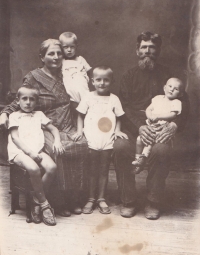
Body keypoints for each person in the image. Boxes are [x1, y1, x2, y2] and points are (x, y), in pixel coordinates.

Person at [0, 39, 88, 218]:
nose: (56, 57)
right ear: (42, 57)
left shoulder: (67, 74)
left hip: (68, 124)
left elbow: (82, 96)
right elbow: (18, 101)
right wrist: (4, 113)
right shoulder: (33, 77)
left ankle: (73, 198)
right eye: (51, 54)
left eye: (59, 53)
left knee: (83, 145)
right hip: (47, 126)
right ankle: (58, 202)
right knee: (58, 150)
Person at [113, 31, 189, 220]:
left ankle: (153, 201)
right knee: (120, 147)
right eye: (144, 47)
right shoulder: (128, 76)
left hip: (162, 128)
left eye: (152, 47)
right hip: (134, 128)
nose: (148, 51)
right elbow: (124, 107)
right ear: (137, 50)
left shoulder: (169, 77)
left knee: (161, 151)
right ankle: (128, 200)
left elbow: (184, 105)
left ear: (158, 50)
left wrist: (174, 126)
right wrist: (140, 126)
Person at [72, 66, 128, 214]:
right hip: (91, 137)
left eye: (106, 80)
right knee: (91, 170)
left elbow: (118, 117)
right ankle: (91, 198)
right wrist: (79, 131)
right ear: (92, 81)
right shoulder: (88, 97)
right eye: (98, 80)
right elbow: (80, 115)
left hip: (107, 138)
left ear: (112, 81)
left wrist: (117, 130)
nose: (102, 83)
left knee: (103, 170)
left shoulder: (114, 99)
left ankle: (101, 198)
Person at [8, 85, 65, 226]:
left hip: (37, 150)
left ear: (37, 101)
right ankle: (45, 204)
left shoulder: (39, 114)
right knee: (34, 169)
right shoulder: (14, 116)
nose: (28, 102)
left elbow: (53, 129)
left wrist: (57, 141)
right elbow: (15, 138)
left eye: (32, 99)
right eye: (24, 99)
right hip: (20, 151)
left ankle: (36, 198)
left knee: (52, 167)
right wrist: (30, 153)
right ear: (18, 100)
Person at [132, 77, 183, 174]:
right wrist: (150, 116)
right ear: (164, 88)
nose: (171, 89)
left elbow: (173, 114)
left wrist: (158, 117)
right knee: (139, 139)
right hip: (152, 124)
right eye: (170, 86)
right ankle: (138, 159)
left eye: (176, 89)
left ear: (180, 94)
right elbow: (148, 109)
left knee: (150, 143)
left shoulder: (176, 102)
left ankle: (143, 159)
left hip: (162, 127)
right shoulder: (157, 98)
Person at [59, 32, 92, 104]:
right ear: (61, 48)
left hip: (82, 89)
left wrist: (84, 80)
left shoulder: (80, 59)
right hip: (69, 94)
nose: (69, 50)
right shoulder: (61, 61)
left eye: (72, 47)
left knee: (86, 104)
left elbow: (89, 72)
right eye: (65, 47)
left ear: (76, 46)